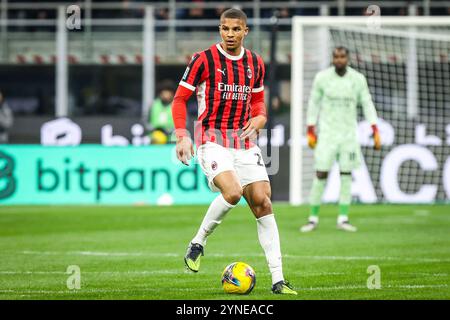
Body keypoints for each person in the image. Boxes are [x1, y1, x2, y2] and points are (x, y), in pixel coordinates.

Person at [171, 8, 297, 295]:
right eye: (225, 29)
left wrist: (261, 118)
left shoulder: (254, 63)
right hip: (211, 139)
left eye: (236, 30)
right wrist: (181, 136)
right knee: (233, 193)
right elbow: (179, 100)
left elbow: (258, 104)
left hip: (243, 143)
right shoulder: (203, 60)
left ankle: (278, 280)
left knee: (263, 202)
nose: (230, 34)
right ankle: (198, 243)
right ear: (220, 29)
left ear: (245, 32)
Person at [300, 47, 381, 233]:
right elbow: (314, 102)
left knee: (346, 176)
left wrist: (374, 128)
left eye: (342, 57)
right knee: (320, 175)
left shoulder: (357, 79)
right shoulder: (322, 78)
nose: (339, 60)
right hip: (327, 135)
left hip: (348, 136)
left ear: (348, 59)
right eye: (336, 57)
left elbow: (367, 103)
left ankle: (343, 218)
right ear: (332, 58)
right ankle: (312, 218)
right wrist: (311, 128)